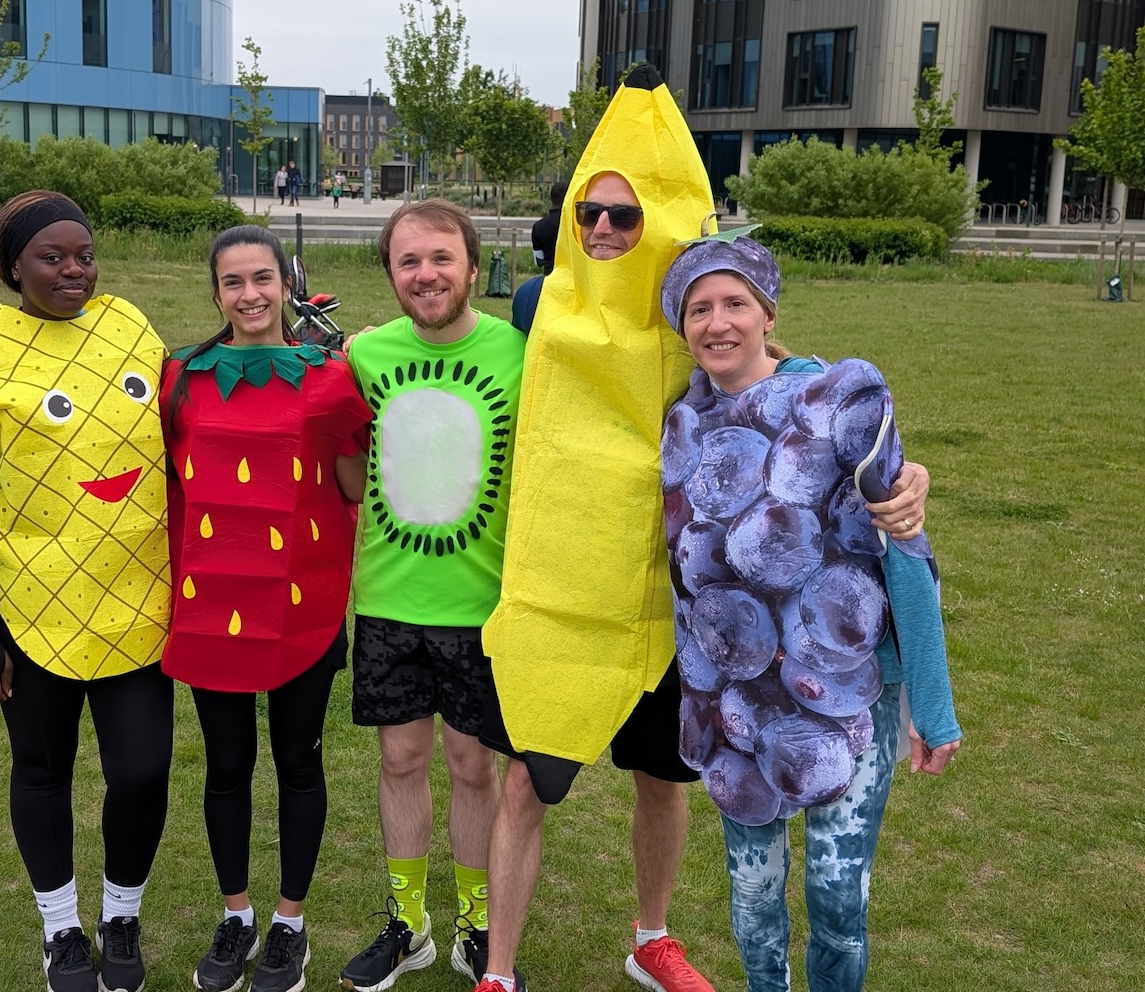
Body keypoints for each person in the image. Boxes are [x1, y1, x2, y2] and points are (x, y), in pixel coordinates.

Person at [476, 67, 930, 992]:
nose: (604, 229)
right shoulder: (538, 307)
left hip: (691, 620)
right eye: (589, 212)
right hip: (568, 605)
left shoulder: (699, 321)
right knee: (527, 777)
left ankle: (651, 937)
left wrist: (905, 475)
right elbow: (447, 337)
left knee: (665, 783)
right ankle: (501, 970)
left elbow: (794, 389)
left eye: (627, 215)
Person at [659, 234, 961, 992]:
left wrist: (933, 705)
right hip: (731, 704)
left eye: (735, 304)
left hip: (847, 696)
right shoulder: (679, 426)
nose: (718, 323)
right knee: (754, 899)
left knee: (835, 895)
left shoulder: (835, 403)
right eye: (699, 309)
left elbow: (905, 549)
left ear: (767, 312)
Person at [0, 190, 172, 992]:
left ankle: (120, 917)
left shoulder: (129, 325)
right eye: (52, 258)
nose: (74, 270)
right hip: (32, 606)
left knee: (142, 771)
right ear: (14, 266)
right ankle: (62, 931)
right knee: (42, 768)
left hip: (138, 598)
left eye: (84, 254)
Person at [163, 225, 373, 992]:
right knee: (226, 768)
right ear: (214, 292)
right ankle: (236, 915)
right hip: (210, 609)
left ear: (286, 284)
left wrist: (357, 428)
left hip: (303, 613)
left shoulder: (330, 375)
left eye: (262, 279)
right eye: (233, 283)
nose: (250, 295)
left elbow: (352, 487)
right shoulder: (179, 376)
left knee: (296, 763)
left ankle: (290, 921)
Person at [336, 200, 527, 992]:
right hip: (388, 598)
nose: (426, 275)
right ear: (390, 273)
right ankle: (408, 925)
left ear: (473, 266)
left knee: (472, 766)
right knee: (401, 759)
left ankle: (477, 925)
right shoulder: (363, 356)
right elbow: (341, 463)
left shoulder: (520, 353)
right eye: (409, 262)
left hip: (482, 606)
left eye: (441, 258)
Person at [529, 181, 566, 276]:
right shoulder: (575, 224)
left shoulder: (538, 226)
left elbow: (539, 261)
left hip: (549, 278)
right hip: (573, 279)